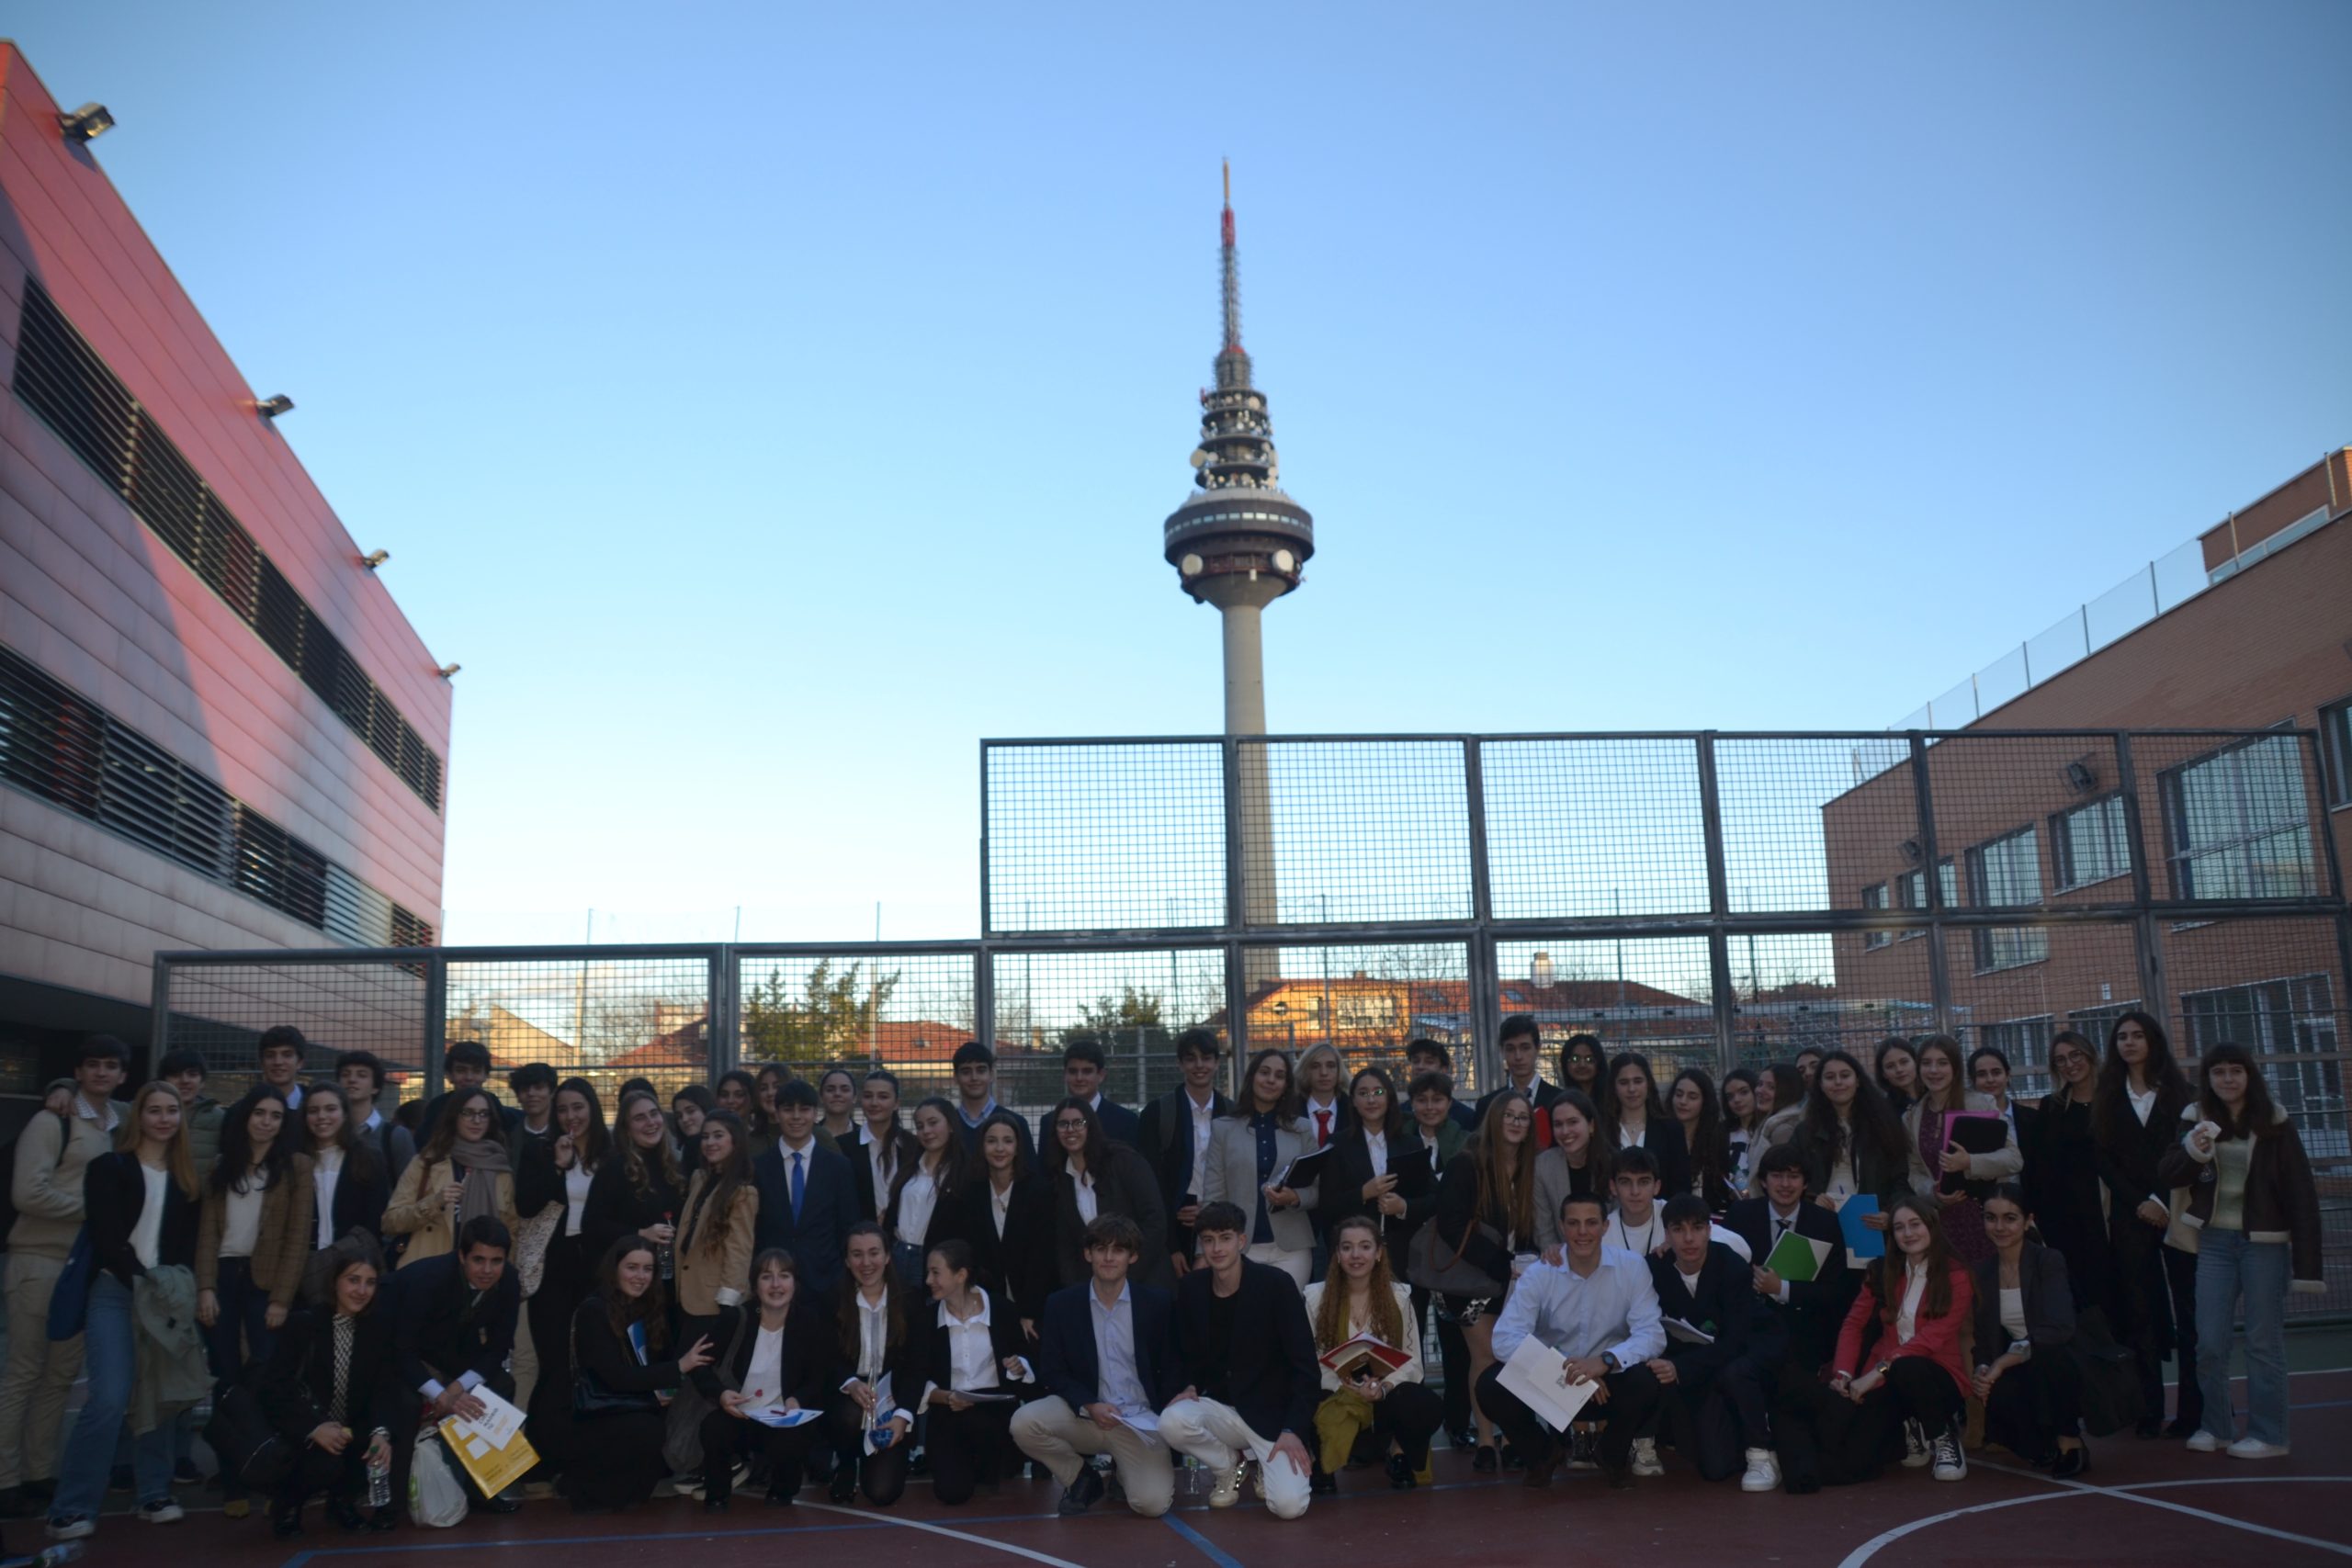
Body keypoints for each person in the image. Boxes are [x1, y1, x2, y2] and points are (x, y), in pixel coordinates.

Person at [45, 1081, 203, 1540]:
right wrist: (143, 1280)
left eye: (171, 1110)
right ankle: (71, 1507)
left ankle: (153, 1492)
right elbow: (107, 1237)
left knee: (159, 1395)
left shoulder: (189, 1181)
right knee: (110, 1398)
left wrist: (175, 1290)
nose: (163, 1118)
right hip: (116, 1293)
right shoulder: (108, 1168)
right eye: (153, 1110)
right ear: (139, 1117)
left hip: (165, 1299)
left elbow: (188, 1246)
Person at [2161, 1042, 2324, 1460]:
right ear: (2209, 1079)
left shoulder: (2275, 1122)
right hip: (2214, 1242)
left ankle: (2270, 1435)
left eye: (2236, 1070)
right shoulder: (2194, 1118)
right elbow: (2169, 1174)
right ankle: (2216, 1427)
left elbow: (2301, 1193)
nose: (2228, 1079)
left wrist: (2307, 1266)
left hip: (2264, 1243)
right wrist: (2194, 1150)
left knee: (2262, 1342)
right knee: (2209, 1341)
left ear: (2249, 1076)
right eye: (2219, 1072)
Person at [0, 1033, 124, 1518]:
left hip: (83, 1269)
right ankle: (5, 1477)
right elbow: (27, 1193)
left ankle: (39, 1472)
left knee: (59, 1377)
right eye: (92, 1065)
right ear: (78, 1072)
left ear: (121, 1075)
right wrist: (94, 1213)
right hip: (39, 1259)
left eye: (110, 1066)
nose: (101, 1073)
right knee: (23, 1374)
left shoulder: (116, 1125)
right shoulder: (52, 1120)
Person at [1777, 1194, 1973, 1490]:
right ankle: (1908, 1429)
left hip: (1935, 1373)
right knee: (1850, 1464)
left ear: (1932, 1226)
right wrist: (1842, 1374)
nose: (1908, 1234)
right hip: (1883, 1380)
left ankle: (1942, 1433)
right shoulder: (1881, 1271)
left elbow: (1931, 1339)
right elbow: (1853, 1324)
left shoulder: (1957, 1275)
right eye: (1899, 1228)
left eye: (1915, 1224)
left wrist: (1875, 1373)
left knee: (1909, 1368)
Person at [1476, 1190, 1667, 1490]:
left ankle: (1612, 1453)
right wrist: (1565, 1368)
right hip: (1555, 1385)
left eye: (1591, 1223)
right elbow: (1504, 1339)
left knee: (1647, 1380)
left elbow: (1652, 1333)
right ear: (1562, 1227)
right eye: (1573, 1223)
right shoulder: (1540, 1273)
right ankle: (1541, 1455)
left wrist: (1605, 1362)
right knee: (1490, 1384)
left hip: (1607, 1383)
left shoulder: (1632, 1267)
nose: (1582, 1232)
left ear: (1606, 1227)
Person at [1012, 1214, 1185, 1517]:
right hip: (1085, 1416)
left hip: (1140, 1423)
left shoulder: (1157, 1304)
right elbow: (1052, 1370)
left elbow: (1173, 1363)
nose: (1108, 1257)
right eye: (1101, 1248)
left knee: (1151, 1504)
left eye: (1118, 1250)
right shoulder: (1061, 1304)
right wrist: (1089, 1403)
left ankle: (1123, 1473)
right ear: (1087, 1254)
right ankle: (1080, 1478)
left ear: (1132, 1256)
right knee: (1023, 1423)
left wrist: (1181, 1395)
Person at [198, 1086, 316, 1515]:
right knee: (225, 1380)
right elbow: (208, 1233)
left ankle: (275, 1477)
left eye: (276, 1116)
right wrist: (205, 1286)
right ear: (246, 1117)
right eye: (259, 1113)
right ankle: (234, 1480)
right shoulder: (221, 1165)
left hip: (266, 1282)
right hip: (225, 1278)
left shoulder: (297, 1167)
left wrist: (282, 1297)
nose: (266, 1122)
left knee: (266, 1378)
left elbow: (298, 1237)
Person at [1161, 1201, 1320, 1519]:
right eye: (1208, 1240)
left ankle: (1264, 1464)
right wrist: (1186, 1386)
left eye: (1225, 1238)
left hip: (1272, 1418)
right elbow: (1177, 1351)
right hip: (1221, 1410)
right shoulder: (1191, 1288)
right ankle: (1228, 1466)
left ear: (1241, 1241)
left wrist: (1293, 1429)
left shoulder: (1276, 1285)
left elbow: (1305, 1367)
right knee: (1172, 1421)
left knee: (1289, 1508)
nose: (1216, 1248)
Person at [2093, 1010, 2202, 1439]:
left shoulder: (2183, 1094)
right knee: (2139, 1313)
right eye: (2122, 1037)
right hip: (2130, 1217)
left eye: (2138, 1035)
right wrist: (2139, 1202)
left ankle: (2195, 1411)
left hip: (2176, 1212)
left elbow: (2188, 1151)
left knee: (2191, 1311)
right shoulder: (2108, 1096)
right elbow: (2104, 1159)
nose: (2130, 1043)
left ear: (2153, 1041)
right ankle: (2149, 1409)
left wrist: (2160, 1199)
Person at [1724, 1145, 1851, 1491]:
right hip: (1750, 1332)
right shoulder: (1740, 1216)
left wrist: (1783, 1289)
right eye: (1777, 1175)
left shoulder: (1825, 1223)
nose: (1784, 1183)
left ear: (1805, 1182)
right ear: (1763, 1181)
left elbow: (1837, 1292)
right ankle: (1763, 1450)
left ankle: (1772, 1452)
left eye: (1793, 1176)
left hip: (1805, 1337)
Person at [257, 1237, 398, 1538]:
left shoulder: (376, 1330)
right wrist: (313, 1429)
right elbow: (274, 1389)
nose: (361, 1291)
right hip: (302, 1430)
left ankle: (341, 1503)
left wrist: (381, 1434)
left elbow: (382, 1389)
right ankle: (287, 1505)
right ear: (334, 1281)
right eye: (353, 1280)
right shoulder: (303, 1324)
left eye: (370, 1283)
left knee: (378, 1448)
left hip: (348, 1428)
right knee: (325, 1464)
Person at [567, 1236, 713, 1513]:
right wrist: (676, 1370)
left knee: (696, 1400)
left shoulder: (650, 1308)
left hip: (638, 1403)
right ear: (614, 1269)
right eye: (632, 1267)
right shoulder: (594, 1311)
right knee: (646, 1429)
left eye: (648, 1269)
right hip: (601, 1411)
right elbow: (615, 1378)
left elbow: (660, 1362)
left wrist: (670, 1386)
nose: (640, 1276)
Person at [1431, 1090, 1535, 1471]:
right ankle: (1487, 1440)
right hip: (1472, 1280)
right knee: (1486, 1357)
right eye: (1509, 1115)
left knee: (1511, 1357)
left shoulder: (1528, 1166)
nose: (1515, 1123)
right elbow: (1451, 1224)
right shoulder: (1467, 1163)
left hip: (1517, 1277)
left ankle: (1511, 1436)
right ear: (1494, 1118)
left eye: (1523, 1118)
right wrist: (1499, 1262)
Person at [389, 1217, 522, 1512]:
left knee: (500, 1386)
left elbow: (499, 1345)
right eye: (478, 1260)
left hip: (450, 1348)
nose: (487, 1270)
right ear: (461, 1256)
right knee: (407, 1403)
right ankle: (395, 1501)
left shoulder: (510, 1280)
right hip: (395, 1347)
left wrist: (458, 1388)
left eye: (496, 1261)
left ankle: (482, 1489)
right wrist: (440, 1395)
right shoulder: (429, 1279)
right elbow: (403, 1348)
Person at [1301, 1214, 1442, 1492]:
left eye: (1365, 1246)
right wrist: (1345, 1385)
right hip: (1338, 1392)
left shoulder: (1399, 1296)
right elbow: (1309, 1361)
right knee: (1309, 1397)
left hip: (1383, 1395)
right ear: (1337, 1254)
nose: (1356, 1255)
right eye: (1347, 1247)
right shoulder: (1315, 1298)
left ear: (1378, 1253)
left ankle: (1400, 1453)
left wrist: (1384, 1387)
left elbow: (1413, 1360)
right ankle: (1322, 1464)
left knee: (1422, 1402)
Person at [1640, 1195, 1773, 1485]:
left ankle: (1761, 1453)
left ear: (1709, 1230)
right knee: (1714, 1467)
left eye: (1697, 1228)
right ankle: (1646, 1442)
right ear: (1666, 1234)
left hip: (1743, 1352)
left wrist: (1680, 1368)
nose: (1689, 1238)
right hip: (1697, 1365)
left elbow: (1737, 1341)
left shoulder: (1732, 1266)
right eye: (1678, 1229)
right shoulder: (1653, 1267)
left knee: (1736, 1372)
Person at [518, 1077, 607, 1485]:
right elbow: (526, 1202)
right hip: (553, 1271)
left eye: (578, 1107)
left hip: (597, 1271)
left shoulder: (612, 1154)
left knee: (591, 1363)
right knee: (553, 1365)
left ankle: (585, 1455)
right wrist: (557, 1164)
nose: (571, 1116)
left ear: (592, 1108)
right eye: (563, 1109)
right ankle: (544, 1455)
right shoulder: (540, 1150)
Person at [697, 1247, 828, 1509]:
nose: (776, 1285)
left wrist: (797, 1399)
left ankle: (782, 1490)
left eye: (785, 1276)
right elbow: (698, 1367)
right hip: (738, 1415)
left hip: (781, 1420)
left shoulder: (809, 1322)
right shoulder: (735, 1319)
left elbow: (819, 1376)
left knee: (797, 1436)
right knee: (713, 1428)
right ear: (755, 1285)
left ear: (795, 1283)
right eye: (767, 1276)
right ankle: (718, 1493)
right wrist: (721, 1394)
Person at [1973, 1185, 2086, 1476]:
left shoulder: (2048, 1261)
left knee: (2050, 1356)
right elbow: (1984, 1339)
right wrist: (1984, 1369)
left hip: (2062, 1359)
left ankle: (2070, 1440)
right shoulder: (1982, 1273)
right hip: (2021, 1364)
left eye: (2010, 1218)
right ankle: (2040, 1441)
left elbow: (2059, 1328)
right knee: (1997, 1392)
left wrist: (2002, 1361)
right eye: (1991, 1217)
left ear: (2028, 1221)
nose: (1999, 1227)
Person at [914, 1239, 1034, 1505]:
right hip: (948, 1411)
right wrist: (944, 1397)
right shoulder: (926, 1319)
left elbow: (1026, 1359)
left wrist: (1018, 1366)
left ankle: (993, 1466)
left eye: (936, 1272)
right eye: (928, 1273)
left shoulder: (1002, 1310)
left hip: (994, 1412)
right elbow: (915, 1375)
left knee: (987, 1444)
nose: (928, 1280)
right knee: (951, 1493)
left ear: (961, 1275)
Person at [1198, 1050, 1317, 1287]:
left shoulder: (1302, 1128)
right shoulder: (1223, 1129)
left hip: (1292, 1248)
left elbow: (1317, 1190)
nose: (1271, 1080)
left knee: (1287, 1320)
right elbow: (1212, 1196)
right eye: (1264, 1072)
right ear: (1252, 1077)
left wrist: (1294, 1197)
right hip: (1239, 1248)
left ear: (1286, 1085)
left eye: (1279, 1076)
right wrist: (1202, 1252)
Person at [1399, 1070, 1474, 1450]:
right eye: (1423, 1100)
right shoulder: (1400, 1138)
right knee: (1408, 1336)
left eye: (1438, 1100)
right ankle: (1412, 1425)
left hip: (1449, 1255)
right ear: (1412, 1103)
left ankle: (1459, 1422)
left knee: (1455, 1342)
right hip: (1409, 1252)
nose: (1430, 1107)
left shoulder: (1462, 1138)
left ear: (1449, 1103)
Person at [1903, 1034, 2022, 1269]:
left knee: (1990, 1295)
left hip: (1985, 1219)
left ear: (1955, 1068)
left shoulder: (1981, 1103)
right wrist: (1933, 1194)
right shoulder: (1912, 1117)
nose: (1934, 1070)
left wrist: (1970, 1162)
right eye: (1927, 1063)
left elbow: (2013, 1159)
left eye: (1942, 1062)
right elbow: (1915, 1171)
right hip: (1942, 1222)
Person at [827, 1224, 922, 1506]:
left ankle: (880, 1457)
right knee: (848, 1415)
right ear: (846, 1260)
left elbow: (918, 1365)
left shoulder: (911, 1301)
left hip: (893, 1398)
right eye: (856, 1254)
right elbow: (824, 1359)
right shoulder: (831, 1299)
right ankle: (845, 1463)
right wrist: (850, 1383)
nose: (866, 1263)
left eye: (873, 1253)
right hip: (848, 1396)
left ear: (888, 1256)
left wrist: (903, 1415)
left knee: (883, 1493)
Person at [381, 1086, 519, 1269]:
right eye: (467, 1113)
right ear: (454, 1116)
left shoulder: (500, 1169)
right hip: (429, 1272)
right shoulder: (427, 1162)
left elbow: (511, 1233)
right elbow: (390, 1222)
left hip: (481, 1276)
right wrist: (434, 1202)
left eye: (484, 1114)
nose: (476, 1120)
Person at [675, 1111, 758, 1415]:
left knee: (701, 1380)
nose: (710, 1142)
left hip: (713, 1304)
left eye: (718, 1136)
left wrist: (728, 1307)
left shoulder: (742, 1192)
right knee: (687, 1376)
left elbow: (740, 1250)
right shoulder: (700, 1178)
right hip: (687, 1296)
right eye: (706, 1136)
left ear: (735, 1141)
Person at [752, 1080, 857, 1310]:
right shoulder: (758, 1168)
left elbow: (847, 1226)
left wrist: (839, 1275)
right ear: (777, 1114)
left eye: (804, 1109)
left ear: (815, 1113)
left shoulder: (839, 1167)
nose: (796, 1117)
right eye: (789, 1110)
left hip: (826, 1284)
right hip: (773, 1285)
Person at [1045, 1097, 1170, 1290]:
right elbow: (1066, 1244)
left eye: (1079, 1123)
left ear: (1091, 1127)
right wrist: (1076, 1289)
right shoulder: (1061, 1178)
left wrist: (1127, 1277)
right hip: (1094, 1292)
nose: (1070, 1129)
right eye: (1063, 1124)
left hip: (1143, 1282)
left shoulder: (1124, 1161)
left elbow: (1155, 1220)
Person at [1136, 1027, 1232, 1276]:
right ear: (1180, 1064)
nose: (1199, 1065)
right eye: (1191, 1058)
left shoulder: (1233, 1113)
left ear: (1217, 1062)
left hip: (1223, 1217)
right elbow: (1150, 1183)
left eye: (1206, 1058)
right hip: (1175, 1221)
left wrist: (1211, 1208)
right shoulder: (1157, 1113)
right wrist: (1171, 1247)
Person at [1318, 1066, 1430, 1271]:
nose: (1371, 1100)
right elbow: (1327, 1206)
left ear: (1389, 1097)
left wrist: (1403, 1207)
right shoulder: (1337, 1144)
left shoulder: (1411, 1144)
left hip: (1403, 1256)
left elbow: (1431, 1199)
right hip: (1354, 1258)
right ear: (1353, 1100)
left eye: (1378, 1092)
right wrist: (1363, 1193)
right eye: (1363, 1094)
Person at [1783, 1049, 1908, 1229]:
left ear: (1857, 1080)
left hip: (1871, 1224)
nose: (1838, 1082)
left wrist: (1890, 1212)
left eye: (1845, 1075)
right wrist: (1812, 1198)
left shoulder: (1884, 1126)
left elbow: (1901, 1177)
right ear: (1820, 1084)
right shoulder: (1805, 1132)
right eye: (1830, 1077)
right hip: (1823, 1221)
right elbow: (1792, 1175)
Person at [2030, 1032, 2109, 1310]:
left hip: (2108, 1211)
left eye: (2075, 1055)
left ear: (2090, 1055)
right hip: (2065, 1217)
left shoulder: (2115, 1101)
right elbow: (2039, 1164)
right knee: (2078, 1290)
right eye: (2060, 1059)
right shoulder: (2050, 1106)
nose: (2069, 1064)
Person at [960, 1110, 1053, 1330]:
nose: (1000, 1149)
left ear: (1018, 1147)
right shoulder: (971, 1193)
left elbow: (1042, 1258)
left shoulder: (1039, 1191)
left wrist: (1030, 1312)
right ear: (982, 1147)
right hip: (985, 1307)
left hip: (1034, 1308)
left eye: (1007, 1141)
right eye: (992, 1141)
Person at [582, 1089, 685, 1270]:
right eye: (640, 1118)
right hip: (629, 1274)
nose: (651, 1122)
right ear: (626, 1128)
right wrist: (641, 1233)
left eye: (654, 1114)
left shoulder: (673, 1165)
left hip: (667, 1271)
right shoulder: (614, 1167)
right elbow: (592, 1224)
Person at [885, 1099, 976, 1289]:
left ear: (951, 1125)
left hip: (936, 1261)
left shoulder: (966, 1173)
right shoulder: (909, 1169)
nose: (926, 1131)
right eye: (920, 1126)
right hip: (898, 1254)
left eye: (933, 1123)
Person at [300, 1085, 389, 1252]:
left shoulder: (368, 1158)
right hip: (304, 1264)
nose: (321, 1116)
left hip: (351, 1262)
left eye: (330, 1109)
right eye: (313, 1111)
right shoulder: (294, 1160)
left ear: (345, 1114)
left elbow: (375, 1219)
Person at [1597, 1053, 1692, 1198]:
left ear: (1648, 1083)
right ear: (1613, 1087)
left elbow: (1681, 1185)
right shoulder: (1601, 1130)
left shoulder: (1671, 1129)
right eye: (1624, 1082)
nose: (1631, 1089)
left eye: (1638, 1081)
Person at [1532, 1089, 1611, 1260]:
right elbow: (1543, 1229)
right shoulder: (1542, 1166)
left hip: (1608, 1256)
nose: (1565, 1131)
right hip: (1560, 1261)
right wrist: (1556, 1253)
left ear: (1591, 1125)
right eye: (1558, 1124)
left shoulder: (1613, 1164)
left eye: (1573, 1122)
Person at [1035, 1038, 1142, 1150]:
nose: (1079, 1078)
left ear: (1101, 1075)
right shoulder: (1049, 1122)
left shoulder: (1125, 1121)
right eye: (1073, 1071)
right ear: (1065, 1074)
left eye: (1087, 1071)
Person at [334, 1052, 414, 1194]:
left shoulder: (395, 1137)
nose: (352, 1080)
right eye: (345, 1074)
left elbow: (408, 1192)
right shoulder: (329, 1132)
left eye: (362, 1075)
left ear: (375, 1087)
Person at [1476, 1015, 1561, 1148]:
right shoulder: (1486, 1105)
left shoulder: (1559, 1102)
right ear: (1501, 1050)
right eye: (1510, 1049)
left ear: (1538, 1048)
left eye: (1525, 1048)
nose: (1518, 1056)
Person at [848, 1070, 917, 1225]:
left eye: (883, 1097)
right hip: (860, 1239)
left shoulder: (914, 1146)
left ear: (896, 1103)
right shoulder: (843, 1146)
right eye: (868, 1096)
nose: (874, 1103)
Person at [948, 1042, 1033, 1163]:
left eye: (981, 1070)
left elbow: (1031, 1176)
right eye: (966, 1072)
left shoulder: (1017, 1123)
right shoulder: (947, 1126)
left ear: (992, 1075)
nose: (974, 1078)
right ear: (955, 1077)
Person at [417, 1043, 518, 1142]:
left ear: (485, 1075)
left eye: (476, 1071)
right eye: (461, 1070)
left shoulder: (495, 1107)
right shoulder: (437, 1107)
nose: (469, 1077)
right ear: (449, 1075)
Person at [1670, 1068, 1736, 1210]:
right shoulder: (1661, 1135)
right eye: (1679, 1094)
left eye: (1692, 1097)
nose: (1683, 1102)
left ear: (1705, 1101)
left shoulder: (1719, 1138)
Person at [158, 1048, 226, 1185]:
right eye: (176, 1074)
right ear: (164, 1080)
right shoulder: (148, 1115)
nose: (184, 1080)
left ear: (202, 1081)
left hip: (203, 1200)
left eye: (192, 1074)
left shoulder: (219, 1117)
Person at [1970, 1045, 2039, 1165]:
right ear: (1973, 1080)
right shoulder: (1965, 1120)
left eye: (1996, 1072)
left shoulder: (2033, 1118)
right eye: (1982, 1074)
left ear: (2007, 1075)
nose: (1990, 1079)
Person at [1600, 1148, 1670, 1258]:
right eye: (1625, 1182)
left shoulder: (1676, 1216)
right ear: (1613, 1187)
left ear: (1657, 1186)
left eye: (1644, 1182)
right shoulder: (1602, 1231)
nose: (1635, 1191)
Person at [1406, 1039, 1478, 1131]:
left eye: (1429, 1062)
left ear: (1443, 1069)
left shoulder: (1466, 1116)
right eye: (1416, 1061)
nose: (1420, 1066)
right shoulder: (1399, 1114)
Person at [1722, 1068, 1764, 1194]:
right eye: (1730, 1096)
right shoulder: (1721, 1132)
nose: (1737, 1100)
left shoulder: (1768, 1130)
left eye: (1744, 1092)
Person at [1297, 1044, 1347, 1149]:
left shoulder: (1353, 1110)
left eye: (1331, 1066)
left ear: (1339, 1070)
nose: (1324, 1073)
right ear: (1305, 1070)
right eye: (1315, 1066)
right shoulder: (1289, 1111)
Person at [256, 1026, 309, 1111]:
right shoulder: (241, 1110)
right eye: (270, 1055)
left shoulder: (315, 1109)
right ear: (262, 1063)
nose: (278, 1062)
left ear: (300, 1062)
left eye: (287, 1055)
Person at [816, 1068, 860, 1153]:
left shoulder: (863, 1137)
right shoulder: (809, 1136)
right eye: (830, 1090)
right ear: (821, 1097)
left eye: (845, 1089)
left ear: (854, 1097)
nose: (837, 1094)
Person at [1874, 1038, 1920, 1116]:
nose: (1899, 1070)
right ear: (1883, 1074)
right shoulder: (1885, 1111)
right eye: (1890, 1066)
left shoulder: (1935, 1094)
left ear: (1915, 1061)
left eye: (1904, 1062)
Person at [1557, 1032, 1606, 1106]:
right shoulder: (1560, 1102)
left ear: (1599, 1063)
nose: (1582, 1065)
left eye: (1589, 1059)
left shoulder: (1613, 1100)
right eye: (1575, 1059)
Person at [671, 1085, 715, 1150]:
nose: (684, 1119)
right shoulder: (677, 1151)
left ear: (706, 1109)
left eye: (690, 1111)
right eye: (679, 1116)